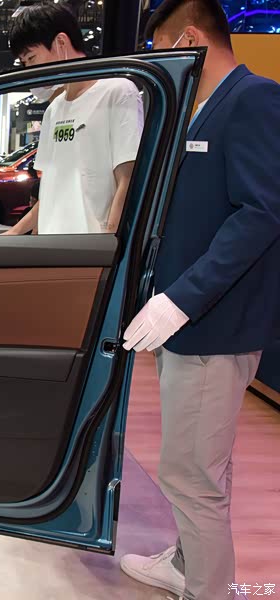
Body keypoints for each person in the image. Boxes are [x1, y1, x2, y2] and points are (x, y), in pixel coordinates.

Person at [119, 2, 280, 599]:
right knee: (203, 466)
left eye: (162, 51)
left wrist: (181, 300)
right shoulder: (207, 107)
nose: (161, 65)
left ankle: (205, 587)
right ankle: (188, 563)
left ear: (188, 39)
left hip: (213, 325)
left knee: (190, 476)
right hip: (191, 324)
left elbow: (261, 213)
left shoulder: (254, 100)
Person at [3, 2, 143, 235]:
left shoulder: (117, 92)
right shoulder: (54, 109)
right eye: (25, 63)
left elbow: (128, 181)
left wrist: (109, 243)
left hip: (90, 246)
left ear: (61, 42)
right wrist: (16, 233)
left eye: (32, 58)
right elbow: (51, 190)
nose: (29, 70)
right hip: (54, 245)